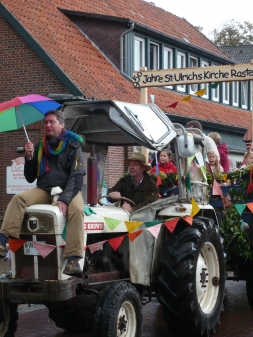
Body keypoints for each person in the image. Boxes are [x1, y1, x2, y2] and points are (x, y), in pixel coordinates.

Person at [0, 110, 85, 276]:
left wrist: (65, 199)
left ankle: (73, 259)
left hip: (69, 189)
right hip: (45, 189)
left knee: (77, 210)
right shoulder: (39, 146)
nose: (47, 125)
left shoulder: (73, 145)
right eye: (45, 122)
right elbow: (30, 177)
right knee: (19, 199)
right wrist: (29, 157)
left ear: (61, 124)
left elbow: (77, 176)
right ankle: (3, 241)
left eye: (51, 122)